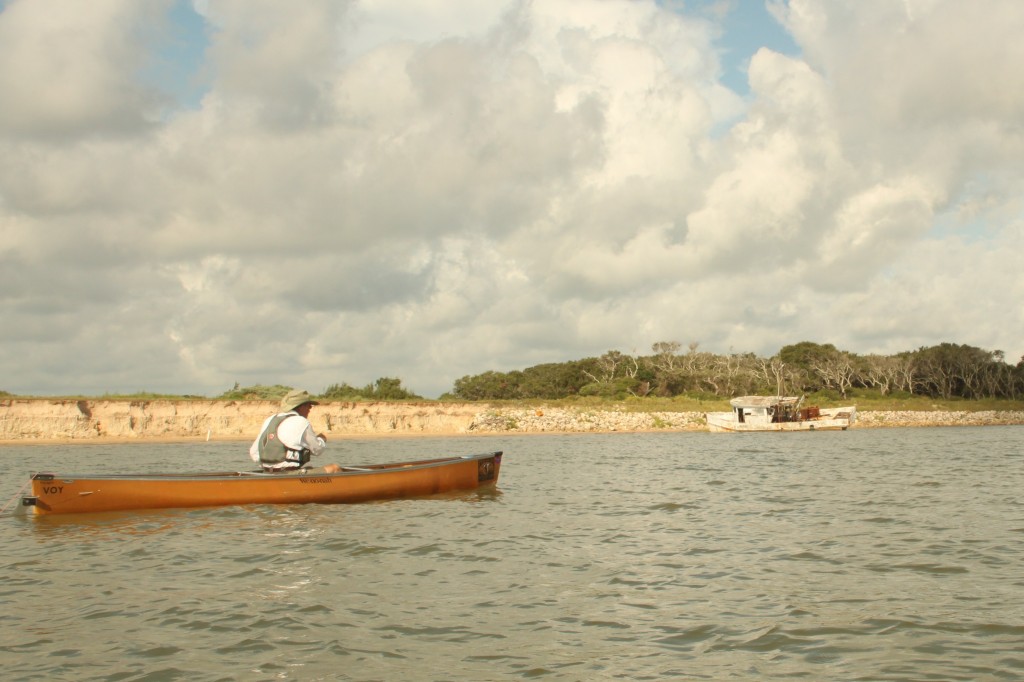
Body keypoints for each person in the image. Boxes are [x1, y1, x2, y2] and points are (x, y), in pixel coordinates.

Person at [249, 390, 342, 473]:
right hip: (287, 475)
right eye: (308, 406)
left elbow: (254, 452)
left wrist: (270, 466)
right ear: (300, 406)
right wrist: (322, 439)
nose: (310, 409)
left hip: (266, 473)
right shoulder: (300, 421)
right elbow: (317, 450)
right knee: (334, 468)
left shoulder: (270, 419)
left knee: (309, 468)